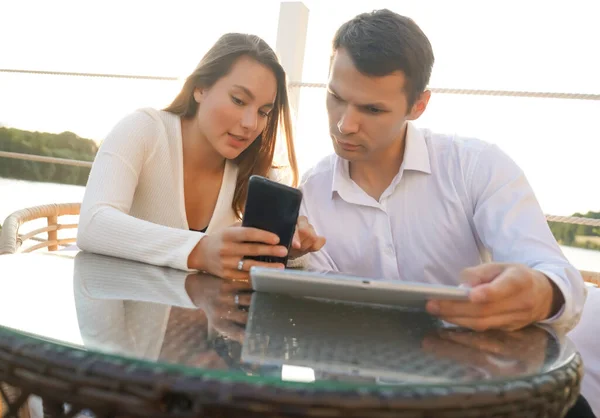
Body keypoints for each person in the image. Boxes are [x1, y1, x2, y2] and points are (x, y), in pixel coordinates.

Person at [299, 9, 586, 333]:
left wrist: (539, 293)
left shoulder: (476, 167)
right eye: (336, 97)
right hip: (348, 377)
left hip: (467, 377)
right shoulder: (309, 191)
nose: (344, 124)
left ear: (418, 106)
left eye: (373, 109)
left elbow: (558, 275)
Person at [77, 33, 325, 279]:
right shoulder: (144, 131)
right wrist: (200, 251)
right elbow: (93, 224)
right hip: (118, 309)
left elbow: (296, 262)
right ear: (200, 89)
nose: (251, 124)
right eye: (238, 100)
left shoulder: (256, 170)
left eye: (263, 112)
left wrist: (291, 247)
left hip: (204, 314)